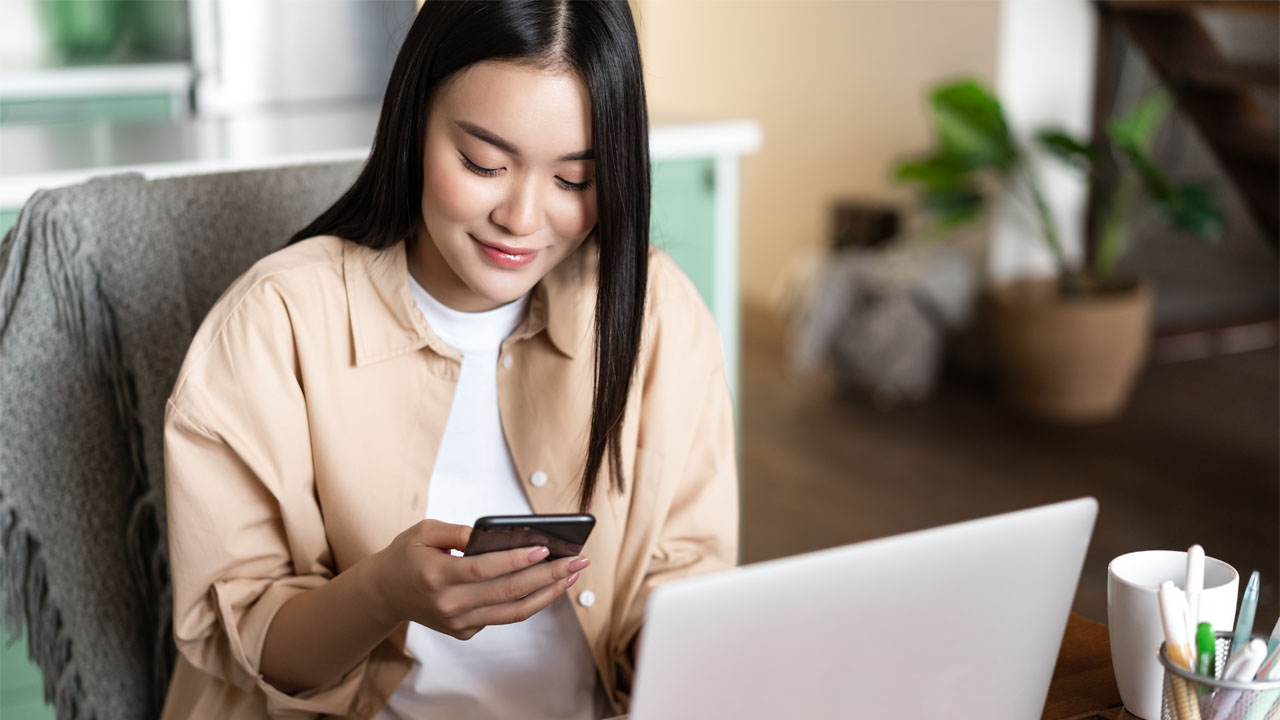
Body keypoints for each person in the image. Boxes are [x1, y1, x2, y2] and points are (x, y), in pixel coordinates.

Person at [160, 2, 739, 719]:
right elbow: (249, 649)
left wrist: (674, 640)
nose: (522, 219)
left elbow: (689, 576)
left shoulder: (657, 315)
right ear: (413, 120)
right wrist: (384, 594)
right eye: (484, 163)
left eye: (573, 180)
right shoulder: (272, 324)